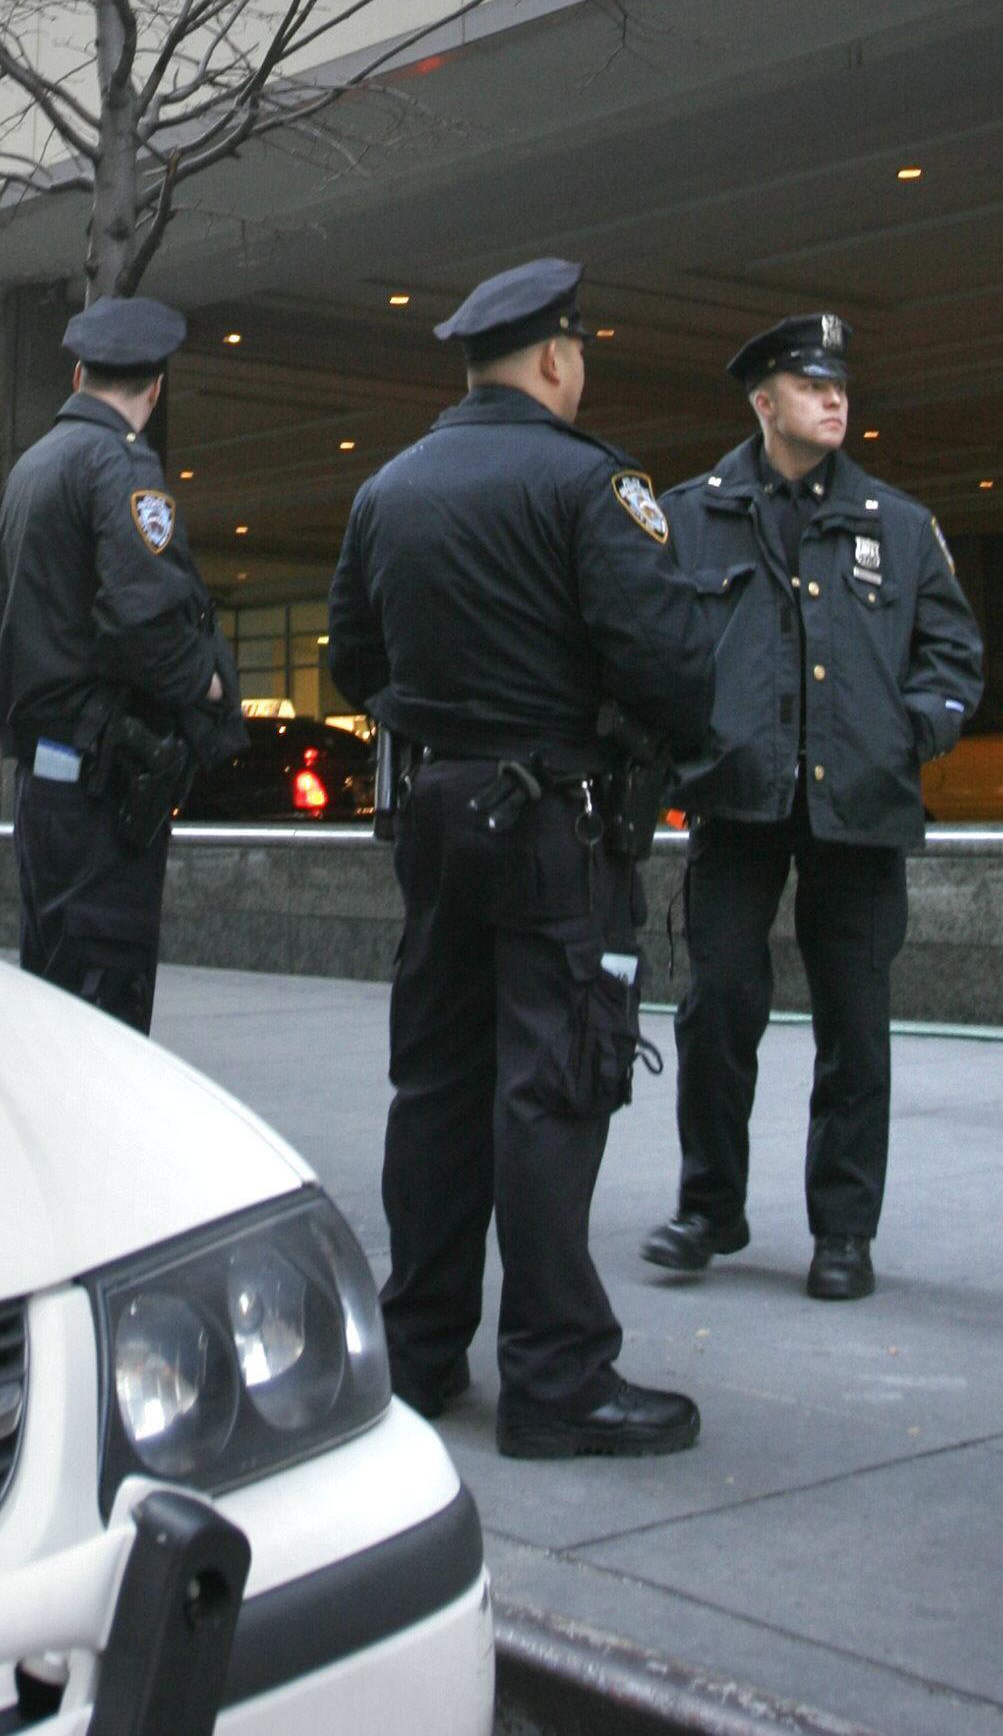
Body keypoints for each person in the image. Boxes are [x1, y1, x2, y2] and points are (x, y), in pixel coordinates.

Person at [327, 259, 717, 1461]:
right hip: (555, 820)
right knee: (550, 1083)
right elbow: (672, 668)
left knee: (436, 1080)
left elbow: (353, 657)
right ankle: (554, 1374)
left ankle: (423, 1348)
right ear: (554, 357)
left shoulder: (388, 488)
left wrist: (444, 725)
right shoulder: (589, 482)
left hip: (439, 812)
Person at [643, 314, 982, 1303]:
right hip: (735, 804)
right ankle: (708, 1206)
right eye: (808, 384)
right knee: (717, 1011)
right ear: (762, 403)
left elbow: (952, 653)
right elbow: (652, 646)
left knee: (854, 1025)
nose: (833, 399)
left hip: (858, 805)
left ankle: (842, 1230)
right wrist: (682, 741)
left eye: (840, 385)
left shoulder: (899, 524)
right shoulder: (686, 517)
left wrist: (910, 728)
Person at [0, 294, 244, 1035]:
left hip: (48, 777)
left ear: (76, 375)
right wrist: (209, 680)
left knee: (56, 988)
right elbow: (144, 616)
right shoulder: (118, 465)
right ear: (155, 387)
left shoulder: (34, 465)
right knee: (104, 1004)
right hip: (100, 787)